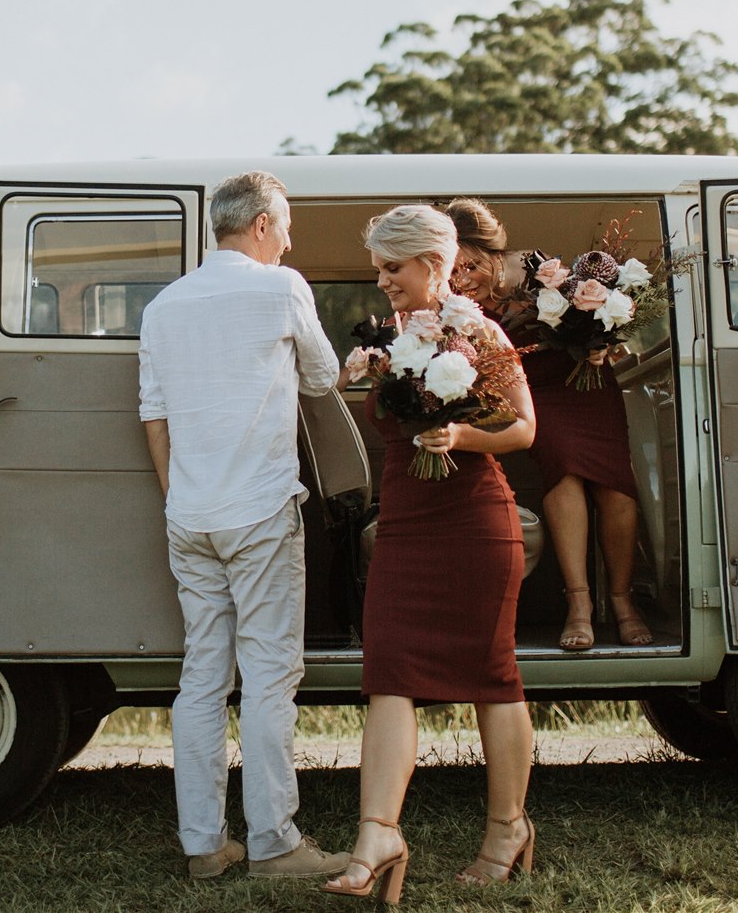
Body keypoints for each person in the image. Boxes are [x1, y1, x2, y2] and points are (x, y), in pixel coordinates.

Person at [137, 171, 350, 882]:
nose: (289, 239)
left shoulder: (165, 305)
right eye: (285, 224)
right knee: (267, 677)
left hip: (189, 516)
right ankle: (275, 844)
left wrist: (181, 501)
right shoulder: (280, 286)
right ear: (260, 224)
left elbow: (154, 416)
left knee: (201, 676)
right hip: (259, 512)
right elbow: (323, 379)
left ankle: (204, 844)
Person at [325, 204, 538, 903]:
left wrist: (465, 438)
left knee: (492, 675)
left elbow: (523, 429)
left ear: (433, 266)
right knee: (387, 668)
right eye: (378, 267)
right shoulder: (390, 338)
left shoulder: (479, 330)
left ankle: (509, 827)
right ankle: (377, 833)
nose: (382, 280)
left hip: (475, 523)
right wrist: (363, 371)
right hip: (406, 527)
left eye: (393, 267)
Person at [445, 199, 650, 651]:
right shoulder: (457, 300)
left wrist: (602, 344)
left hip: (588, 384)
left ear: (493, 254)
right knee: (565, 471)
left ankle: (622, 601)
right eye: (454, 269)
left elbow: (606, 321)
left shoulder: (541, 268)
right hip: (537, 395)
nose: (463, 279)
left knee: (617, 486)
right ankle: (579, 604)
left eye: (471, 266)